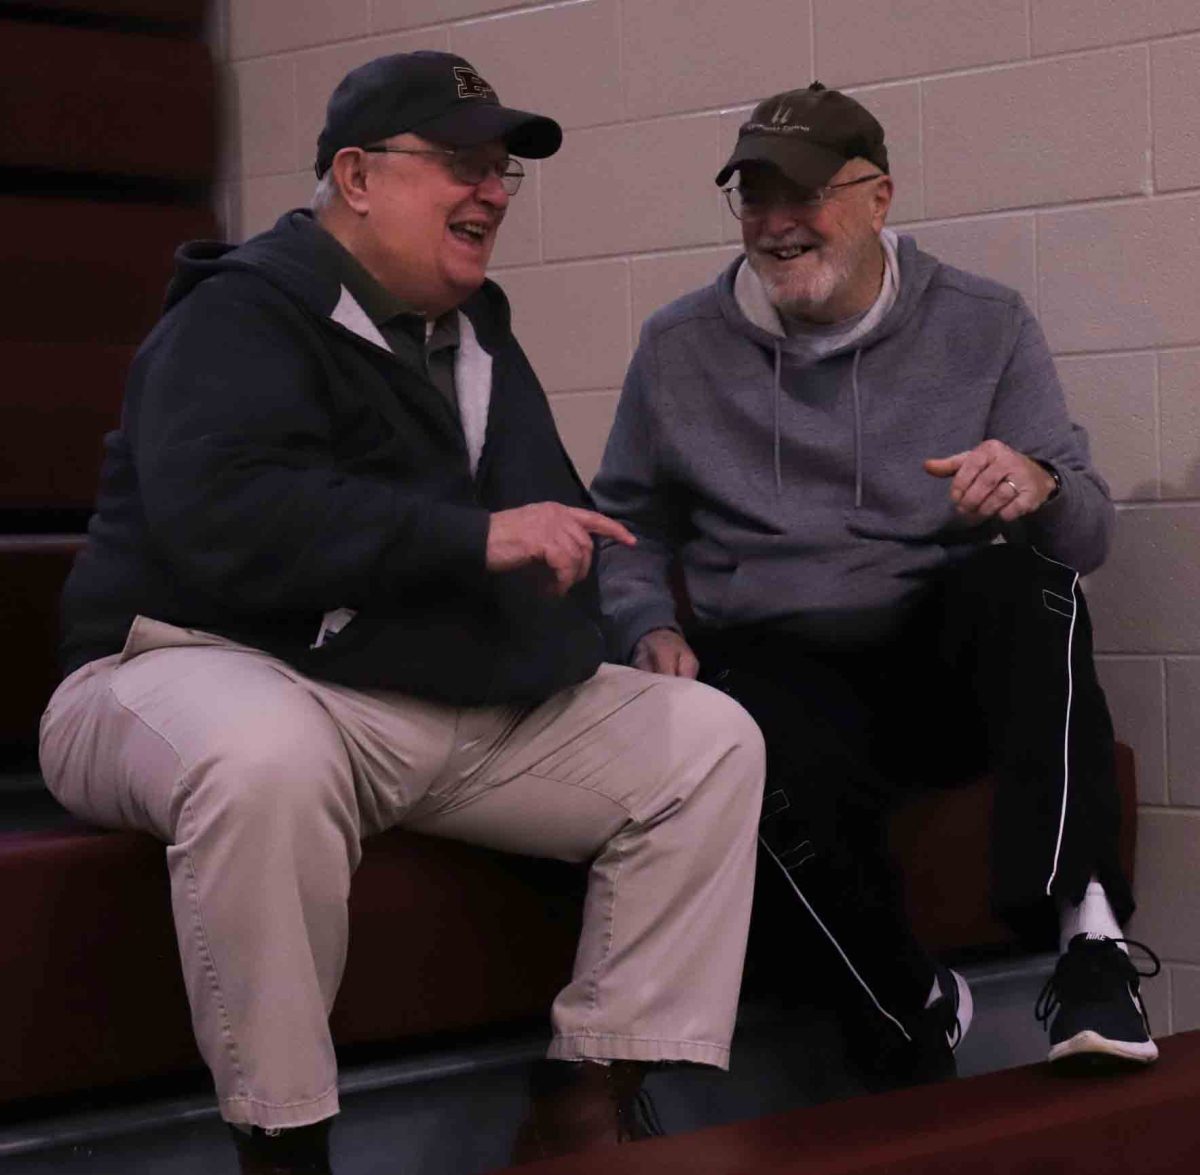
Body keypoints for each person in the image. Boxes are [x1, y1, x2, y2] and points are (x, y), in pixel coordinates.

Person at [38, 51, 765, 1174]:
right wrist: (472, 537)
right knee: (262, 754)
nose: (491, 191)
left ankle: (586, 1097)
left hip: (403, 699)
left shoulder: (476, 334)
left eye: (503, 171)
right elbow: (226, 521)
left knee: (709, 740)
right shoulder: (239, 313)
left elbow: (566, 520)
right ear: (356, 175)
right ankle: (286, 1145)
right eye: (461, 164)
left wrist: (633, 630)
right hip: (179, 669)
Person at [592, 82, 1160, 1088]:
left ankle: (1089, 939)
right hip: (779, 665)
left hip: (937, 659)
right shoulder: (678, 346)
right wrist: (643, 623)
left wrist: (1036, 484)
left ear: (880, 196)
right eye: (755, 198)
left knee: (1031, 581)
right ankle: (908, 1008)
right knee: (720, 724)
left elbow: (1090, 532)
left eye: (803, 195)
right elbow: (628, 520)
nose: (777, 225)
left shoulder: (985, 322)